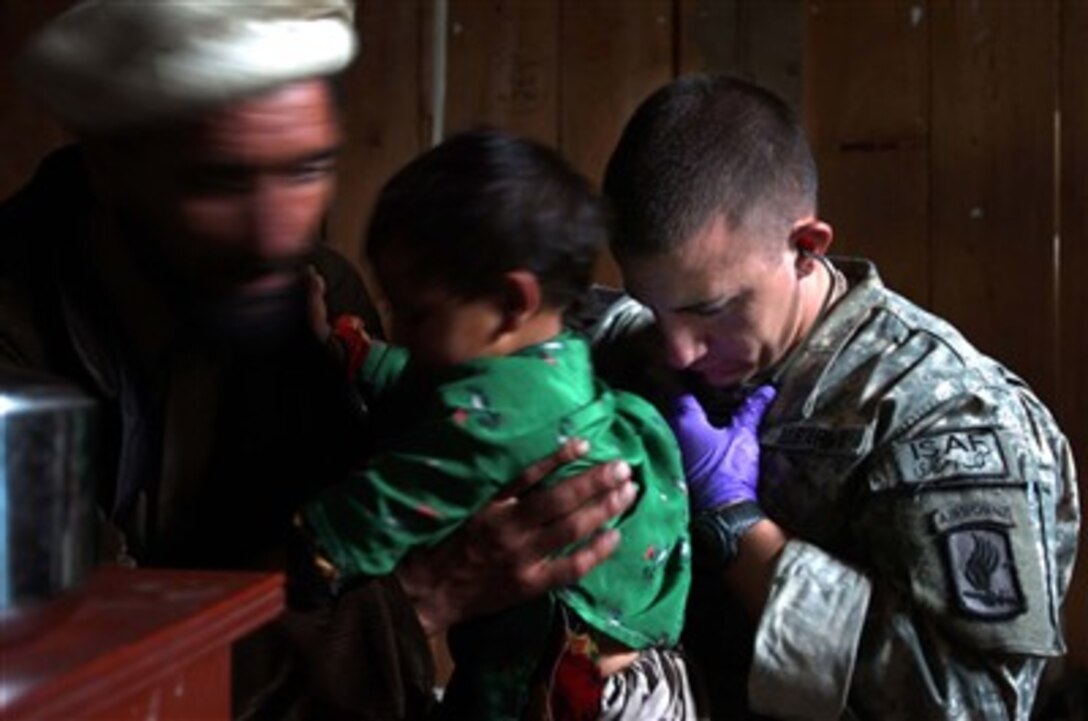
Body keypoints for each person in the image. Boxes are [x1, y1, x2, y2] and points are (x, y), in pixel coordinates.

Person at [1, 3, 634, 718]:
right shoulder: (15, 354)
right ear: (110, 168)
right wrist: (428, 593)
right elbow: (96, 685)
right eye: (220, 181)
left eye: (306, 168)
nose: (277, 232)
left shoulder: (316, 296)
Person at [588, 74, 1080, 720]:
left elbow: (975, 702)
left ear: (805, 247)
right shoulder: (642, 349)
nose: (679, 349)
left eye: (710, 310)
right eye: (656, 307)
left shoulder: (941, 409)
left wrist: (742, 532)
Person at [303, 128, 695, 720]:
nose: (400, 331)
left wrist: (304, 549)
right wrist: (351, 355)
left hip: (579, 693)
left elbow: (370, 516)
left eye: (415, 312)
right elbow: (431, 380)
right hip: (642, 664)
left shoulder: (495, 423)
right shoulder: (552, 360)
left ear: (513, 302)